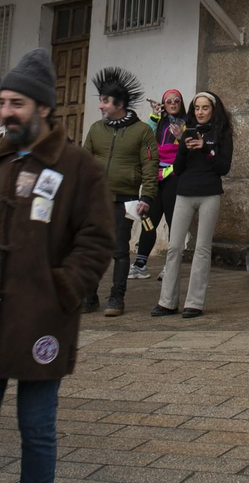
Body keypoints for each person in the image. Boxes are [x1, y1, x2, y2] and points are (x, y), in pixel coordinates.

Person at [0, 48, 115, 483]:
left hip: (41, 316)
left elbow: (96, 240)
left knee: (36, 430)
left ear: (43, 107)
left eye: (17, 104)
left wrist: (64, 288)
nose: (6, 113)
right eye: (2, 103)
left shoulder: (79, 168)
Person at [80, 68, 157, 318]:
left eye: (105, 101)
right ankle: (89, 296)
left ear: (119, 104)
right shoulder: (95, 129)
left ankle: (117, 297)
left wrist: (147, 197)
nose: (101, 105)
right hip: (94, 199)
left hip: (125, 200)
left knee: (119, 250)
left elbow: (150, 166)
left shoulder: (142, 131)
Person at [152, 91, 234, 319]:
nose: (200, 112)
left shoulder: (222, 133)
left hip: (209, 193)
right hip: (184, 193)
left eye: (205, 108)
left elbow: (223, 167)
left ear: (213, 110)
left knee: (202, 248)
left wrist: (206, 148)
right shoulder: (186, 131)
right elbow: (177, 169)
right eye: (196, 108)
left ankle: (194, 303)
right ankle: (167, 301)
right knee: (175, 247)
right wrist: (183, 144)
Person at [132, 89, 189, 279]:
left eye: (176, 100)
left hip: (174, 176)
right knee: (148, 220)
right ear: (164, 104)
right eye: (169, 101)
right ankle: (140, 263)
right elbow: (145, 139)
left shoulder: (186, 123)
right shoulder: (159, 122)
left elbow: (188, 149)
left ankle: (170, 266)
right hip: (155, 178)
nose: (173, 103)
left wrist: (181, 136)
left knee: (174, 222)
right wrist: (154, 116)